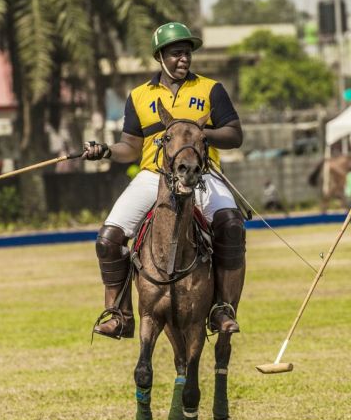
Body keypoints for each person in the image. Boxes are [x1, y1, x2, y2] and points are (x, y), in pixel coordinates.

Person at [84, 22, 246, 340]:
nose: (183, 59)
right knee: (109, 238)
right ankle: (120, 315)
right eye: (176, 54)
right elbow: (130, 148)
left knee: (231, 225)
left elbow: (234, 135)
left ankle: (222, 309)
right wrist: (104, 150)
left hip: (203, 173)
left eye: (187, 53)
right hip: (152, 176)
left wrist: (201, 134)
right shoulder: (139, 96)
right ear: (160, 56)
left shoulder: (210, 89)